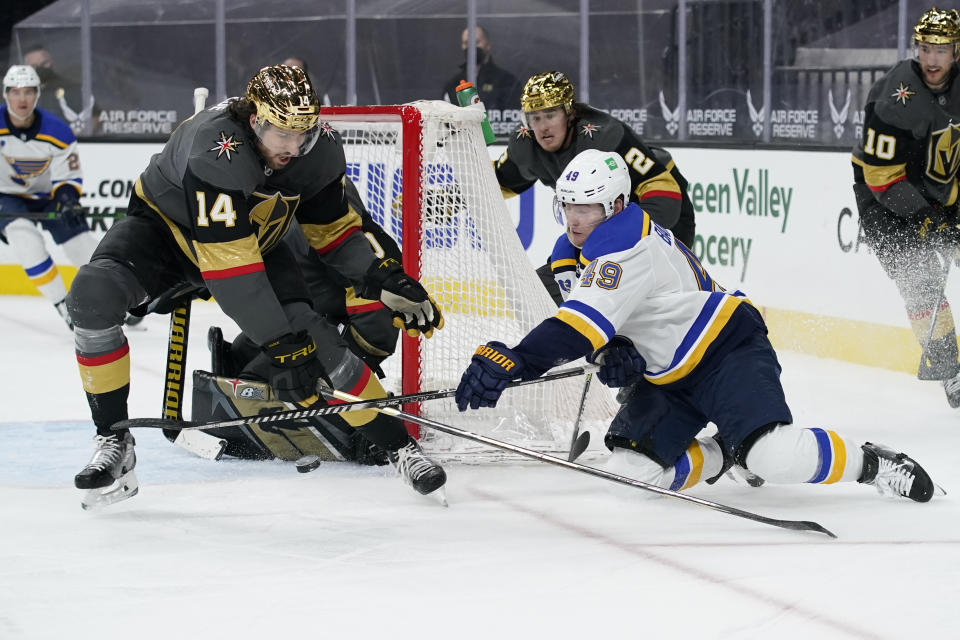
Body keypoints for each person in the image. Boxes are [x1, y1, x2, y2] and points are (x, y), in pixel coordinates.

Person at [456, 149, 937, 504]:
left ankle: (873, 463)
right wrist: (612, 349)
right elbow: (600, 326)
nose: (576, 220)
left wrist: (516, 360)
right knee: (629, 472)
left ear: (618, 204)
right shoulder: (571, 252)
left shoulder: (628, 245)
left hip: (726, 351)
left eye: (589, 208)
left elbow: (577, 326)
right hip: (670, 375)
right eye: (569, 207)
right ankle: (725, 453)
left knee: (770, 455)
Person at [65, 65, 446, 509]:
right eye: (279, 132)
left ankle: (398, 446)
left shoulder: (318, 149)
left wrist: (381, 276)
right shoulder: (215, 149)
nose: (291, 147)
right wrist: (282, 345)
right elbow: (233, 274)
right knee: (91, 296)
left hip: (257, 243)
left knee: (317, 339)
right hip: (165, 236)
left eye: (301, 132)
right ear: (254, 119)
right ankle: (113, 439)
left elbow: (333, 232)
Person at [494, 71, 696, 304]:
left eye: (550, 115)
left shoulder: (604, 137)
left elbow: (665, 191)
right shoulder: (528, 145)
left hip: (667, 218)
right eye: (535, 117)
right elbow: (498, 181)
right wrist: (452, 191)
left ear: (569, 113)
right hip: (600, 229)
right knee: (539, 294)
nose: (542, 127)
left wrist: (621, 239)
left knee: (630, 303)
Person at [852, 7, 960, 408]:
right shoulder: (894, 94)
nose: (932, 59)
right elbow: (882, 177)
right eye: (926, 48)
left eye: (942, 50)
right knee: (920, 278)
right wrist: (930, 223)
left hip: (937, 185)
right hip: (882, 198)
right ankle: (950, 372)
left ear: (956, 51)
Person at [0, 64, 99, 329]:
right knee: (24, 240)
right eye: (15, 92)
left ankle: (122, 300)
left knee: (82, 246)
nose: (22, 99)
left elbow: (67, 177)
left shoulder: (58, 131)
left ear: (37, 95)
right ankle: (63, 305)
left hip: (49, 196)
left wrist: (67, 201)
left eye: (28, 92)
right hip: (8, 197)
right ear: (6, 94)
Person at [441, 26, 522, 113]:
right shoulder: (453, 84)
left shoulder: (506, 81)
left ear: (488, 45)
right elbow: (445, 117)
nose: (471, 47)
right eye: (466, 43)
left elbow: (515, 116)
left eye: (476, 42)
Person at [23, 44, 95, 135]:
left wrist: (73, 135)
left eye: (44, 63)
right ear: (26, 67)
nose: (40, 68)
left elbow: (95, 116)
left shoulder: (70, 88)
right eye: (34, 66)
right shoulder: (18, 93)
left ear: (51, 61)